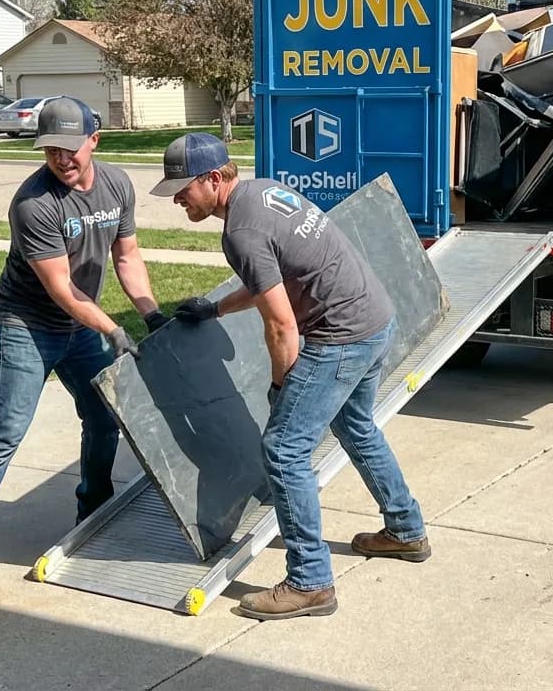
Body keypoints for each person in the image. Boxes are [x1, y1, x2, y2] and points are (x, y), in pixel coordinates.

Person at [151, 132, 430, 621]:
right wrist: (215, 308)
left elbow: (281, 325)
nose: (176, 197)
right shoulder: (262, 193)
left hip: (340, 337)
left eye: (182, 187)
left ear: (214, 179)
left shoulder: (240, 230)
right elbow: (270, 284)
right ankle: (406, 530)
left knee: (283, 450)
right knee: (356, 426)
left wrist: (281, 387)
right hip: (374, 319)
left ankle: (309, 581)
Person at [0, 97, 168, 602]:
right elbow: (62, 289)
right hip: (28, 325)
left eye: (70, 148)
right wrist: (113, 329)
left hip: (80, 326)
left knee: (105, 418)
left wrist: (150, 314)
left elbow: (127, 257)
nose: (61, 159)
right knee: (5, 433)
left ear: (93, 141)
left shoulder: (117, 185)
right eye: (50, 150)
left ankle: (93, 517)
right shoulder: (33, 203)